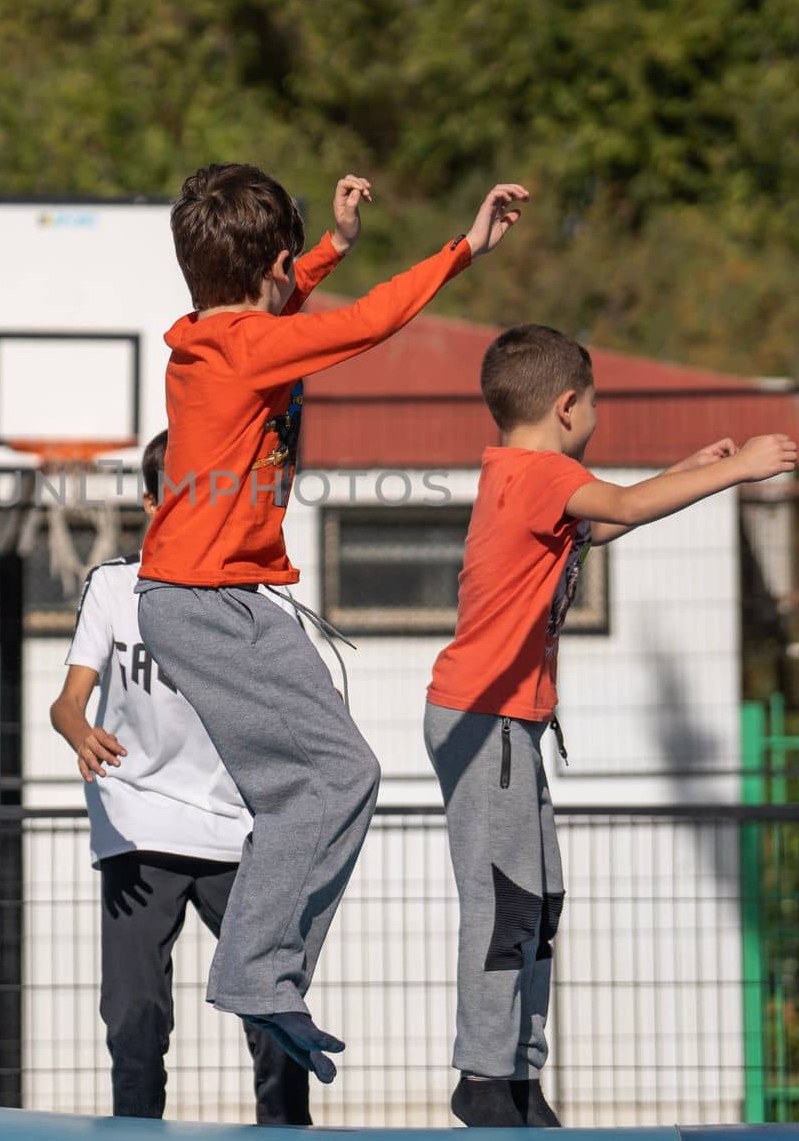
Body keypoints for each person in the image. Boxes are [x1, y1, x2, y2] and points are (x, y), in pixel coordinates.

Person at [135, 164, 531, 1084]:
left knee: (332, 780)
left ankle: (261, 970)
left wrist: (329, 251)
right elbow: (372, 322)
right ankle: (256, 973)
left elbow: (276, 297)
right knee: (332, 779)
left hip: (223, 599)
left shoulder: (213, 332)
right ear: (268, 270)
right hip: (207, 603)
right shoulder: (246, 346)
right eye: (289, 273)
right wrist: (462, 250)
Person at [425, 323, 798, 1127]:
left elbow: (612, 519)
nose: (596, 417)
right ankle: (485, 1078)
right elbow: (620, 503)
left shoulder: (524, 477)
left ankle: (519, 1075)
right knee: (508, 899)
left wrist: (690, 472)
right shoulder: (538, 474)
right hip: (482, 718)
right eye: (593, 404)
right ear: (567, 407)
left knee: (543, 898)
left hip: (507, 722)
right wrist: (740, 467)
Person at [50, 430, 312, 1123]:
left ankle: (288, 1128)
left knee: (274, 1010)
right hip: (137, 828)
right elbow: (66, 701)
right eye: (180, 493)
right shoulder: (114, 587)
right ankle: (137, 1128)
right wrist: (78, 730)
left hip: (240, 834)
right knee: (134, 1016)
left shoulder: (259, 596)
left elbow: (304, 711)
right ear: (151, 502)